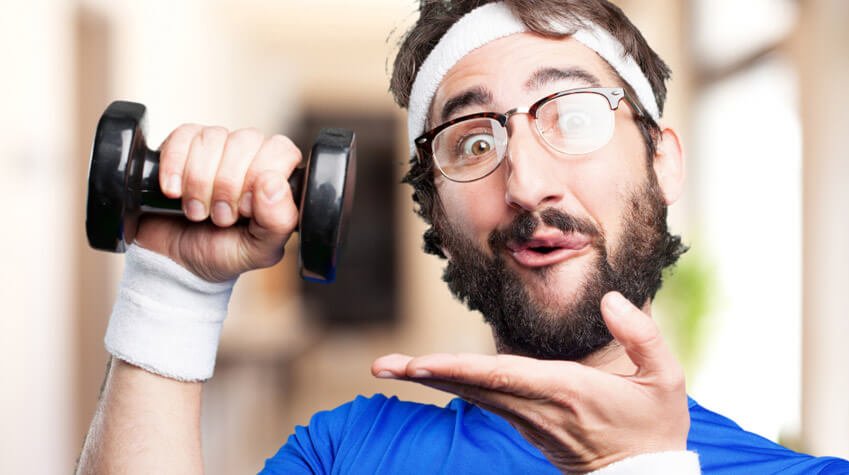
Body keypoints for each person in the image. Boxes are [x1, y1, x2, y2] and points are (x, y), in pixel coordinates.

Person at [76, 1, 849, 474]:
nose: (526, 182)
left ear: (662, 159)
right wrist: (172, 286)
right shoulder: (345, 454)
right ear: (435, 214)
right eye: (472, 142)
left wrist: (639, 470)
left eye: (572, 116)